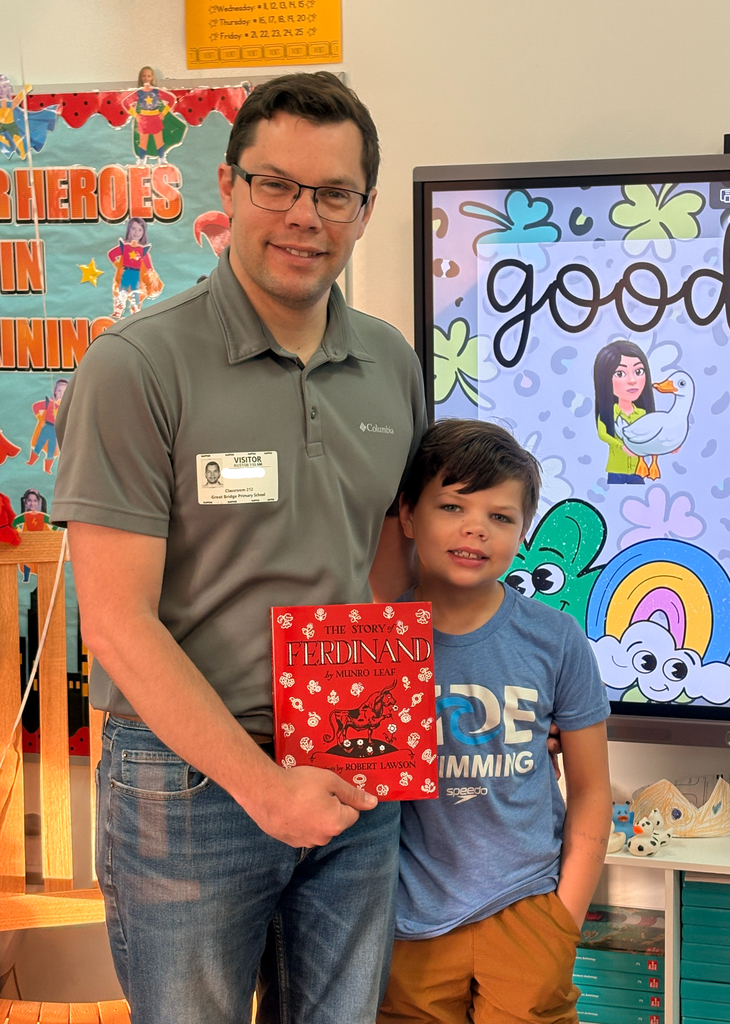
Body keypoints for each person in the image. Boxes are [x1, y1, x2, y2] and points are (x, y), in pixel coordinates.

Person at [52, 72, 426, 1024]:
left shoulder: (391, 364)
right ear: (227, 189)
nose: (304, 216)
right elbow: (118, 623)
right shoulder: (136, 368)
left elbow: (387, 566)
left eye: (333, 194)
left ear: (364, 209)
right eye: (276, 185)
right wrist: (263, 789)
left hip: (352, 768)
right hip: (187, 791)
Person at [378, 419, 612, 1024]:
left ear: (523, 532)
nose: (475, 528)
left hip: (529, 908)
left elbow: (590, 788)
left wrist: (564, 919)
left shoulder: (555, 639)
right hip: (407, 922)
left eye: (501, 517)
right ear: (408, 514)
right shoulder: (370, 640)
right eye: (452, 505)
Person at [593, 339, 655, 484]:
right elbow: (602, 434)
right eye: (620, 374)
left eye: (639, 371)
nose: (632, 380)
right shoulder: (609, 413)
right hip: (616, 468)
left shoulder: (642, 414)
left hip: (639, 469)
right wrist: (621, 446)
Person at [107, 217, 163, 318]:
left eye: (140, 229)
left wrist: (152, 277)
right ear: (129, 230)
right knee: (122, 291)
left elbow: (149, 266)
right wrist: (118, 265)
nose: (136, 232)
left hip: (136, 275)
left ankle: (136, 310)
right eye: (133, 228)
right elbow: (111, 254)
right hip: (125, 274)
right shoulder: (124, 248)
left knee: (136, 293)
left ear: (143, 232)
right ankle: (119, 309)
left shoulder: (143, 251)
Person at [26, 378, 68, 474]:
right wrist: (40, 418)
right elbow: (35, 407)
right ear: (54, 392)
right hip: (46, 427)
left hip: (56, 431)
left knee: (52, 449)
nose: (61, 394)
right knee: (39, 444)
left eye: (65, 391)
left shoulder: (67, 407)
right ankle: (31, 461)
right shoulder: (49, 403)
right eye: (59, 390)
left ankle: (47, 468)